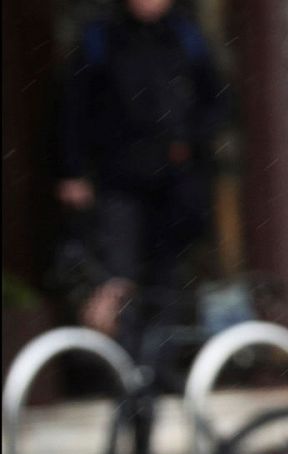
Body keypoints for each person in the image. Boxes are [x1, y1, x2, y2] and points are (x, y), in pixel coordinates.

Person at [58, 0, 223, 360]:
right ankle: (126, 370)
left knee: (169, 276)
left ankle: (162, 366)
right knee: (119, 276)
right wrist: (72, 171)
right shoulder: (100, 36)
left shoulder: (186, 35)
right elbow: (73, 107)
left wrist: (190, 144)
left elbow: (216, 101)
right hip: (116, 178)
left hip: (174, 180)